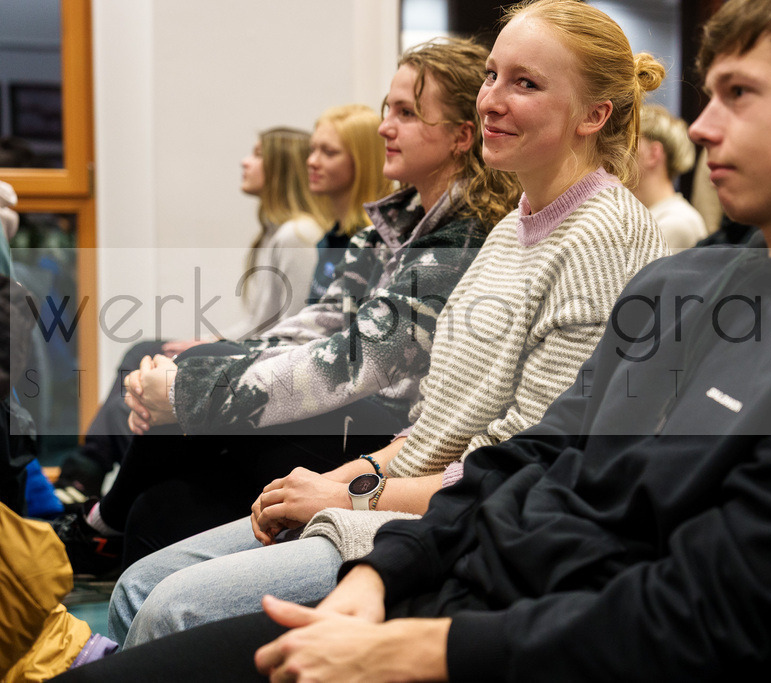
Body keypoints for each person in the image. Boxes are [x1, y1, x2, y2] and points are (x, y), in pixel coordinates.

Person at [53, 0, 771, 679]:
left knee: (168, 602)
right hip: (452, 585)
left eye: (738, 94)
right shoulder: (687, 281)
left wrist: (426, 640)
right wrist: (387, 573)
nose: (704, 124)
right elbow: (531, 454)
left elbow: (702, 615)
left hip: (504, 639)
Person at [108, 0, 667, 646]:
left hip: (466, 526)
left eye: (525, 83)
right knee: (142, 582)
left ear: (594, 114)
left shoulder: (602, 234)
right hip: (406, 495)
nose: (491, 100)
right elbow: (433, 426)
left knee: (168, 605)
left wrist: (351, 498)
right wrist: (340, 479)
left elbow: (525, 471)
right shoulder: (515, 225)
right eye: (491, 75)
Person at [54, 38, 519, 578]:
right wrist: (198, 373)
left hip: (385, 439)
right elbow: (317, 323)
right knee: (157, 501)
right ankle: (103, 525)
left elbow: (355, 361)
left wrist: (189, 389)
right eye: (387, 109)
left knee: (164, 491)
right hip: (346, 418)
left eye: (407, 113)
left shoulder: (460, 240)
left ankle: (96, 527)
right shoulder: (393, 224)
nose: (384, 127)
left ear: (463, 136)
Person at [52, 124, 347, 505]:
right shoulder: (278, 232)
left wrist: (214, 345)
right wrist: (213, 340)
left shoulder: (296, 236)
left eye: (257, 154)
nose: (245, 161)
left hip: (273, 358)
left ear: (278, 168)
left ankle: (92, 480)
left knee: (151, 366)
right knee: (140, 352)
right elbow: (263, 318)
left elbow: (289, 324)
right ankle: (91, 475)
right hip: (259, 346)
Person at [305, 106, 394, 303]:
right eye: (312, 150)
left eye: (328, 152)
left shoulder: (377, 244)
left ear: (362, 161)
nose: (312, 161)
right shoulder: (331, 236)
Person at [633, 104, 706, 250]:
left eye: (627, 143)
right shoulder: (650, 217)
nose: (615, 154)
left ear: (653, 154)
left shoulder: (677, 223)